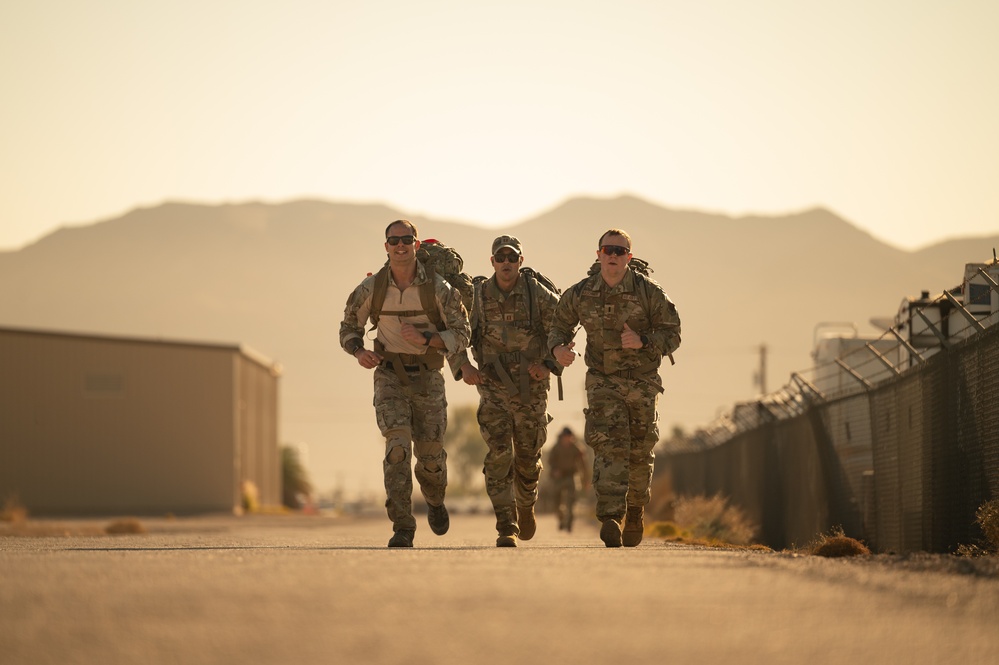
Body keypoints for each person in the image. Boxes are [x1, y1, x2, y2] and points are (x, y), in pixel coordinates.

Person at [340, 220, 470, 548]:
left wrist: (429, 337)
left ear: (416, 245)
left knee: (430, 458)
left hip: (428, 377)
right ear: (385, 246)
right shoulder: (372, 289)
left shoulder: (439, 289)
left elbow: (462, 332)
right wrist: (359, 351)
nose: (400, 246)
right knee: (397, 448)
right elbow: (348, 327)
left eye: (406, 240)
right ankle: (403, 526)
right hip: (389, 375)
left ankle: (435, 501)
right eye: (393, 240)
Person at [549, 229, 681, 547]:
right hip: (602, 379)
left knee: (639, 451)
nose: (613, 255)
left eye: (620, 251)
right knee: (609, 445)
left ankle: (634, 510)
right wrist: (558, 350)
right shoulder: (581, 293)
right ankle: (610, 516)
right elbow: (558, 323)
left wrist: (644, 340)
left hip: (643, 380)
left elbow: (673, 333)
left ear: (629, 258)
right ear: (598, 254)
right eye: (608, 249)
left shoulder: (649, 293)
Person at [451, 235, 561, 547]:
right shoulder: (477, 296)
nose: (506, 263)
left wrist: (549, 364)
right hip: (493, 385)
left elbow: (562, 327)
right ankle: (506, 524)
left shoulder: (535, 293)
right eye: (500, 258)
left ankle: (525, 505)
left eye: (512, 258)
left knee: (527, 456)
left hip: (531, 384)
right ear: (492, 262)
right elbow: (457, 332)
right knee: (498, 455)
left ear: (520, 261)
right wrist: (463, 366)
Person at [548, 426, 587, 532]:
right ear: (562, 437)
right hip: (559, 476)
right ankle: (561, 518)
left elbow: (582, 461)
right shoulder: (556, 447)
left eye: (569, 437)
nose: (567, 439)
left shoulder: (576, 447)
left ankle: (569, 522)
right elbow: (550, 461)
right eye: (566, 437)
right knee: (557, 500)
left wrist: (585, 478)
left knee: (571, 500)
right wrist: (554, 470)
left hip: (571, 475)